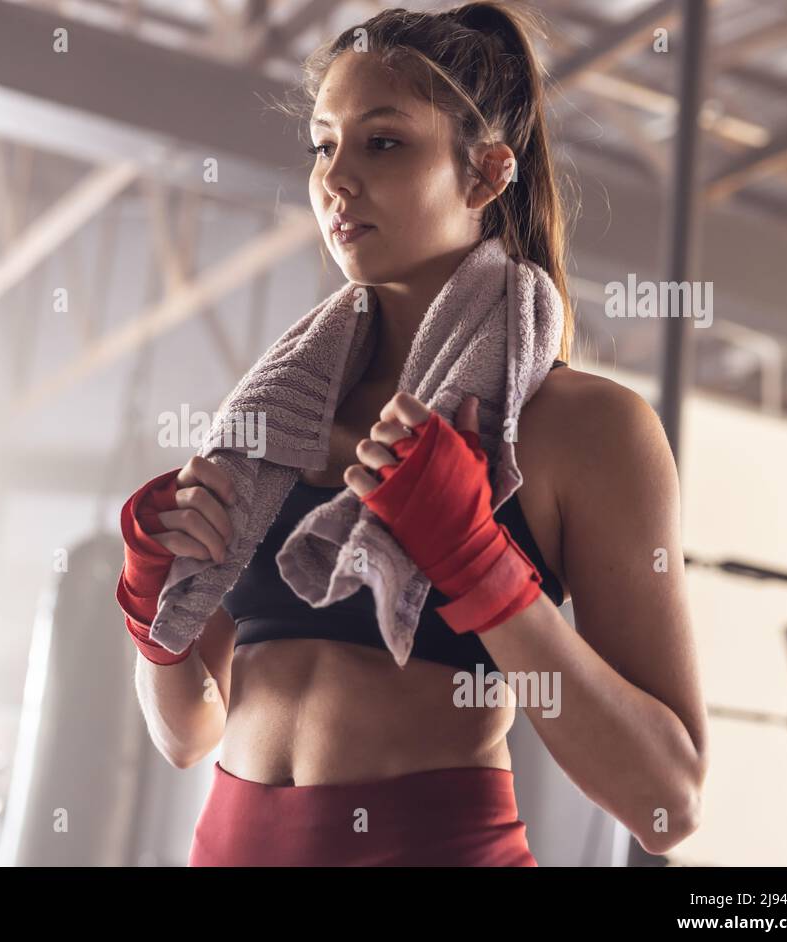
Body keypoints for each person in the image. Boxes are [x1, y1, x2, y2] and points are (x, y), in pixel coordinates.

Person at [117, 1, 707, 866]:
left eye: (382, 142)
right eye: (324, 144)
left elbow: (668, 804)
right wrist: (151, 612)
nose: (335, 179)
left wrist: (479, 563)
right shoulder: (272, 420)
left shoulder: (582, 429)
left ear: (487, 174)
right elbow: (187, 733)